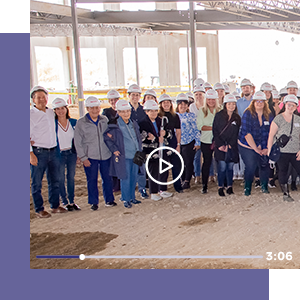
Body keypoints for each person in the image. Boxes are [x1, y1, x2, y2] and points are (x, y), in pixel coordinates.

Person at [30, 86, 67, 218]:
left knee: (55, 180)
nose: (41, 100)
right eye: (38, 97)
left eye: (44, 97)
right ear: (33, 100)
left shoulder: (51, 112)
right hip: (38, 152)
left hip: (54, 150)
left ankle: (55, 205)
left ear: (47, 99)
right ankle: (39, 209)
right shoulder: (30, 115)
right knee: (37, 182)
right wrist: (30, 153)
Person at [74, 96, 116, 210]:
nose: (94, 110)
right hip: (90, 156)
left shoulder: (104, 120)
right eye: (92, 108)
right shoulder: (81, 122)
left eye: (96, 108)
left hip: (105, 154)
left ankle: (109, 200)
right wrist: (83, 157)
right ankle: (94, 202)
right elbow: (78, 142)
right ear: (87, 108)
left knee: (107, 178)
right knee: (91, 179)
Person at [103, 99, 143, 208]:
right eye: (123, 112)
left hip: (135, 155)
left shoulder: (133, 123)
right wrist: (114, 149)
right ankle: (126, 199)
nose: (126, 114)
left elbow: (137, 137)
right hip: (123, 156)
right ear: (119, 112)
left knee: (134, 177)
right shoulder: (114, 124)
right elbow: (107, 138)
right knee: (125, 178)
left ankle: (132, 198)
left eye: (128, 111)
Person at [238, 91, 273, 196]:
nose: (259, 103)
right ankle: (247, 188)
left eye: (261, 101)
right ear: (253, 102)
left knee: (264, 164)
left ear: (265, 103)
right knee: (251, 165)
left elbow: (270, 132)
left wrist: (266, 147)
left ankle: (264, 186)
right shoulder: (247, 113)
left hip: (263, 144)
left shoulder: (269, 114)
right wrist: (256, 149)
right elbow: (247, 134)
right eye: (257, 101)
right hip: (247, 144)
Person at [267, 94, 300, 202]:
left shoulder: (298, 119)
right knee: (283, 171)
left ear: (296, 107)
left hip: (296, 151)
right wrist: (269, 151)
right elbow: (271, 135)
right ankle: (285, 193)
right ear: (285, 105)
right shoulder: (278, 119)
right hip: (282, 151)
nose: (291, 107)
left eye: (293, 105)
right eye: (289, 104)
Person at [138, 100, 172, 200]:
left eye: (155, 110)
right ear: (146, 111)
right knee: (154, 171)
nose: (154, 113)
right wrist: (156, 139)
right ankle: (154, 192)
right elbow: (144, 138)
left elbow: (170, 134)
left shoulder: (161, 120)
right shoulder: (142, 123)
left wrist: (165, 134)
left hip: (162, 149)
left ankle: (163, 189)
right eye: (151, 111)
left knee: (164, 169)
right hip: (150, 152)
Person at [52, 98, 80, 211]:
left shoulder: (73, 122)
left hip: (71, 153)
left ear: (66, 109)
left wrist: (78, 154)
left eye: (62, 108)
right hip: (59, 154)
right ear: (54, 111)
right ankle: (64, 201)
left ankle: (72, 201)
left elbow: (78, 139)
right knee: (60, 178)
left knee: (71, 178)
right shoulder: (52, 124)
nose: (60, 111)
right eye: (57, 109)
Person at [212, 94, 241, 196]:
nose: (231, 106)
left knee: (230, 167)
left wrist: (230, 145)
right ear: (225, 105)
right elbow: (215, 131)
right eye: (229, 104)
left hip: (231, 147)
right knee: (222, 167)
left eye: (233, 104)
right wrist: (220, 145)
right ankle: (220, 187)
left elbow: (237, 133)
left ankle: (229, 187)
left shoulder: (237, 118)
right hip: (220, 146)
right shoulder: (219, 116)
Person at [197, 89, 221, 194]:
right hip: (206, 141)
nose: (211, 101)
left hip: (219, 140)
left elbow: (222, 125)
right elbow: (200, 126)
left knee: (220, 162)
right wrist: (214, 128)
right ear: (206, 100)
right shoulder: (201, 111)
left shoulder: (220, 110)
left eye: (213, 99)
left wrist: (211, 127)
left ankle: (222, 183)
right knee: (206, 163)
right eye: (209, 99)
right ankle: (204, 185)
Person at [158, 93, 183, 194]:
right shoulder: (158, 116)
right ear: (161, 104)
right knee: (163, 166)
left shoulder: (175, 116)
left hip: (173, 143)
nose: (166, 104)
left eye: (168, 102)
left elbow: (178, 131)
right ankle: (162, 188)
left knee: (176, 165)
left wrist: (178, 144)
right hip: (162, 144)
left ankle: (178, 186)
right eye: (164, 103)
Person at [128, 83, 149, 199]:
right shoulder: (125, 109)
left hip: (141, 144)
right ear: (129, 96)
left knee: (141, 167)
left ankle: (142, 189)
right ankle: (129, 191)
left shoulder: (143, 110)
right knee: (130, 167)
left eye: (137, 95)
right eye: (133, 95)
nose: (135, 97)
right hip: (129, 144)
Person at [176, 93, 201, 189]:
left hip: (189, 142)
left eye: (185, 104)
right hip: (178, 143)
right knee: (180, 162)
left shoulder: (191, 115)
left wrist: (197, 142)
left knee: (188, 162)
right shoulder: (174, 116)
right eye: (181, 104)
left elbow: (196, 129)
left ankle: (187, 181)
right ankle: (182, 179)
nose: (183, 106)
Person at [190, 85, 205, 184]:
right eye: (196, 94)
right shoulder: (191, 106)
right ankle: (197, 175)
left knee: (208, 155)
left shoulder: (206, 105)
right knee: (197, 156)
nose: (198, 96)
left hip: (206, 132)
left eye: (200, 94)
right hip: (196, 133)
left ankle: (211, 175)